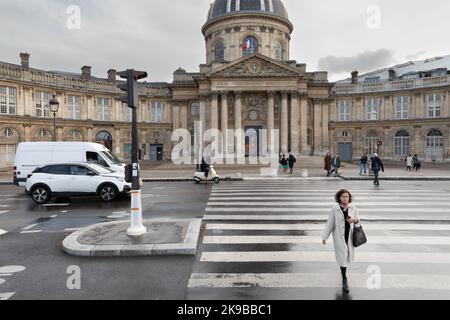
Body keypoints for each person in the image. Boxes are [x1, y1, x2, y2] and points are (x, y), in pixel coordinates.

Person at [322, 189, 361, 294]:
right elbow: (330, 223)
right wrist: (325, 237)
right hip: (339, 237)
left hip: (350, 236)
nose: (345, 199)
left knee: (347, 256)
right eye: (343, 196)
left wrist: (354, 220)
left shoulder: (353, 208)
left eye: (347, 197)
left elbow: (358, 222)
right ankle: (344, 278)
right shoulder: (335, 209)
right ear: (339, 198)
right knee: (342, 258)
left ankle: (344, 274)